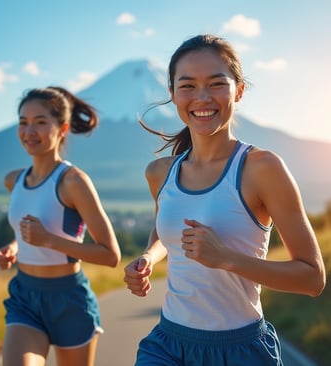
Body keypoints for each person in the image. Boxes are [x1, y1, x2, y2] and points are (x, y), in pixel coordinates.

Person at [124, 34, 326, 365]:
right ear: (173, 94)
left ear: (239, 90)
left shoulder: (262, 168)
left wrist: (226, 258)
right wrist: (148, 256)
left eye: (216, 84)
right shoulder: (159, 173)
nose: (201, 98)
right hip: (167, 345)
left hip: (241, 350)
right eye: (187, 86)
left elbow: (312, 278)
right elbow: (166, 231)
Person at [0, 86, 121, 366]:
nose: (30, 131)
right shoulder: (13, 181)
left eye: (40, 122)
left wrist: (48, 240)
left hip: (69, 300)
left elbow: (111, 255)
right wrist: (16, 246)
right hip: (25, 296)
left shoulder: (73, 182)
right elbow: (28, 229)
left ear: (62, 128)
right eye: (23, 122)